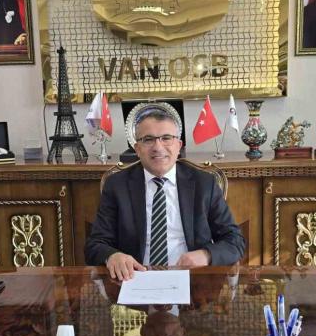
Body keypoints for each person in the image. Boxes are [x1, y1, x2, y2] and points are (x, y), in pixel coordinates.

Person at [85, 107, 245, 280]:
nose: (158, 147)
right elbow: (95, 244)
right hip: (135, 279)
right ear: (137, 148)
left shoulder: (204, 183)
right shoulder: (117, 185)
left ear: (178, 146)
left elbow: (235, 241)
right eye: (148, 139)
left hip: (192, 280)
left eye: (166, 138)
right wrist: (112, 256)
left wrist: (206, 255)